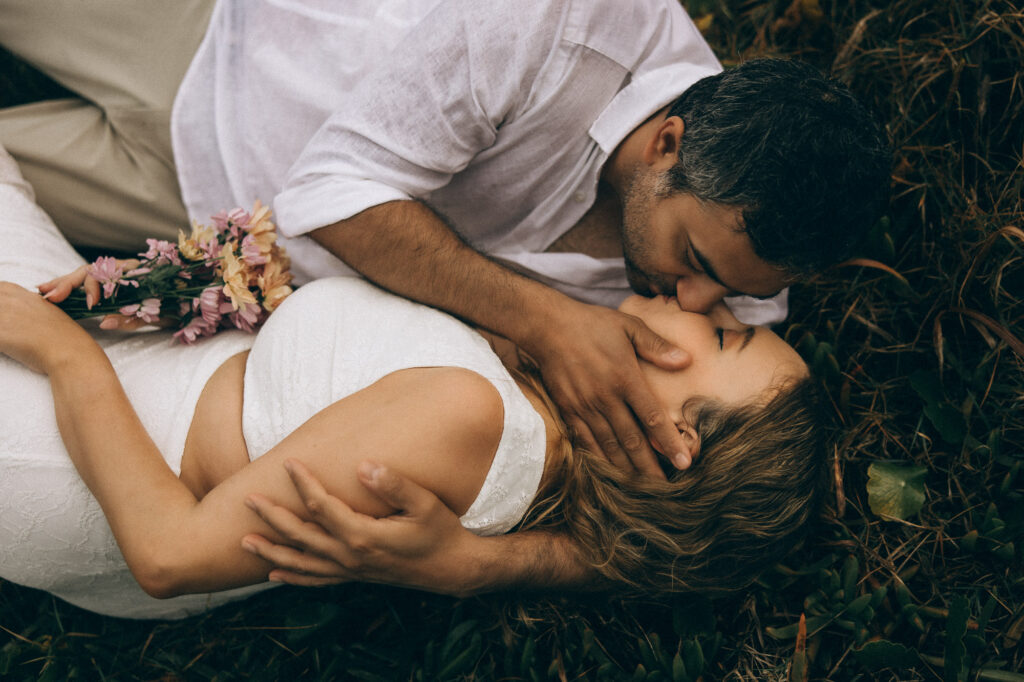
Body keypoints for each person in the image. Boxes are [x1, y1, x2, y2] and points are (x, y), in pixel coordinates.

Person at [0, 0, 888, 594]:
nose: (698, 301)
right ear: (667, 143)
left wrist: (484, 565)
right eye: (692, 257)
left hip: (212, 229)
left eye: (733, 300)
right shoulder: (558, 24)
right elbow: (336, 197)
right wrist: (545, 319)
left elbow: (704, 517)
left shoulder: (740, 300)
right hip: (214, 41)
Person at [0, 145, 826, 618]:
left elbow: (169, 555)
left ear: (678, 433)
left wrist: (65, 358)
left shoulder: (469, 416)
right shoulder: (533, 422)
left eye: (727, 336)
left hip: (56, 445)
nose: (705, 306)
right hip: (142, 389)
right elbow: (661, 553)